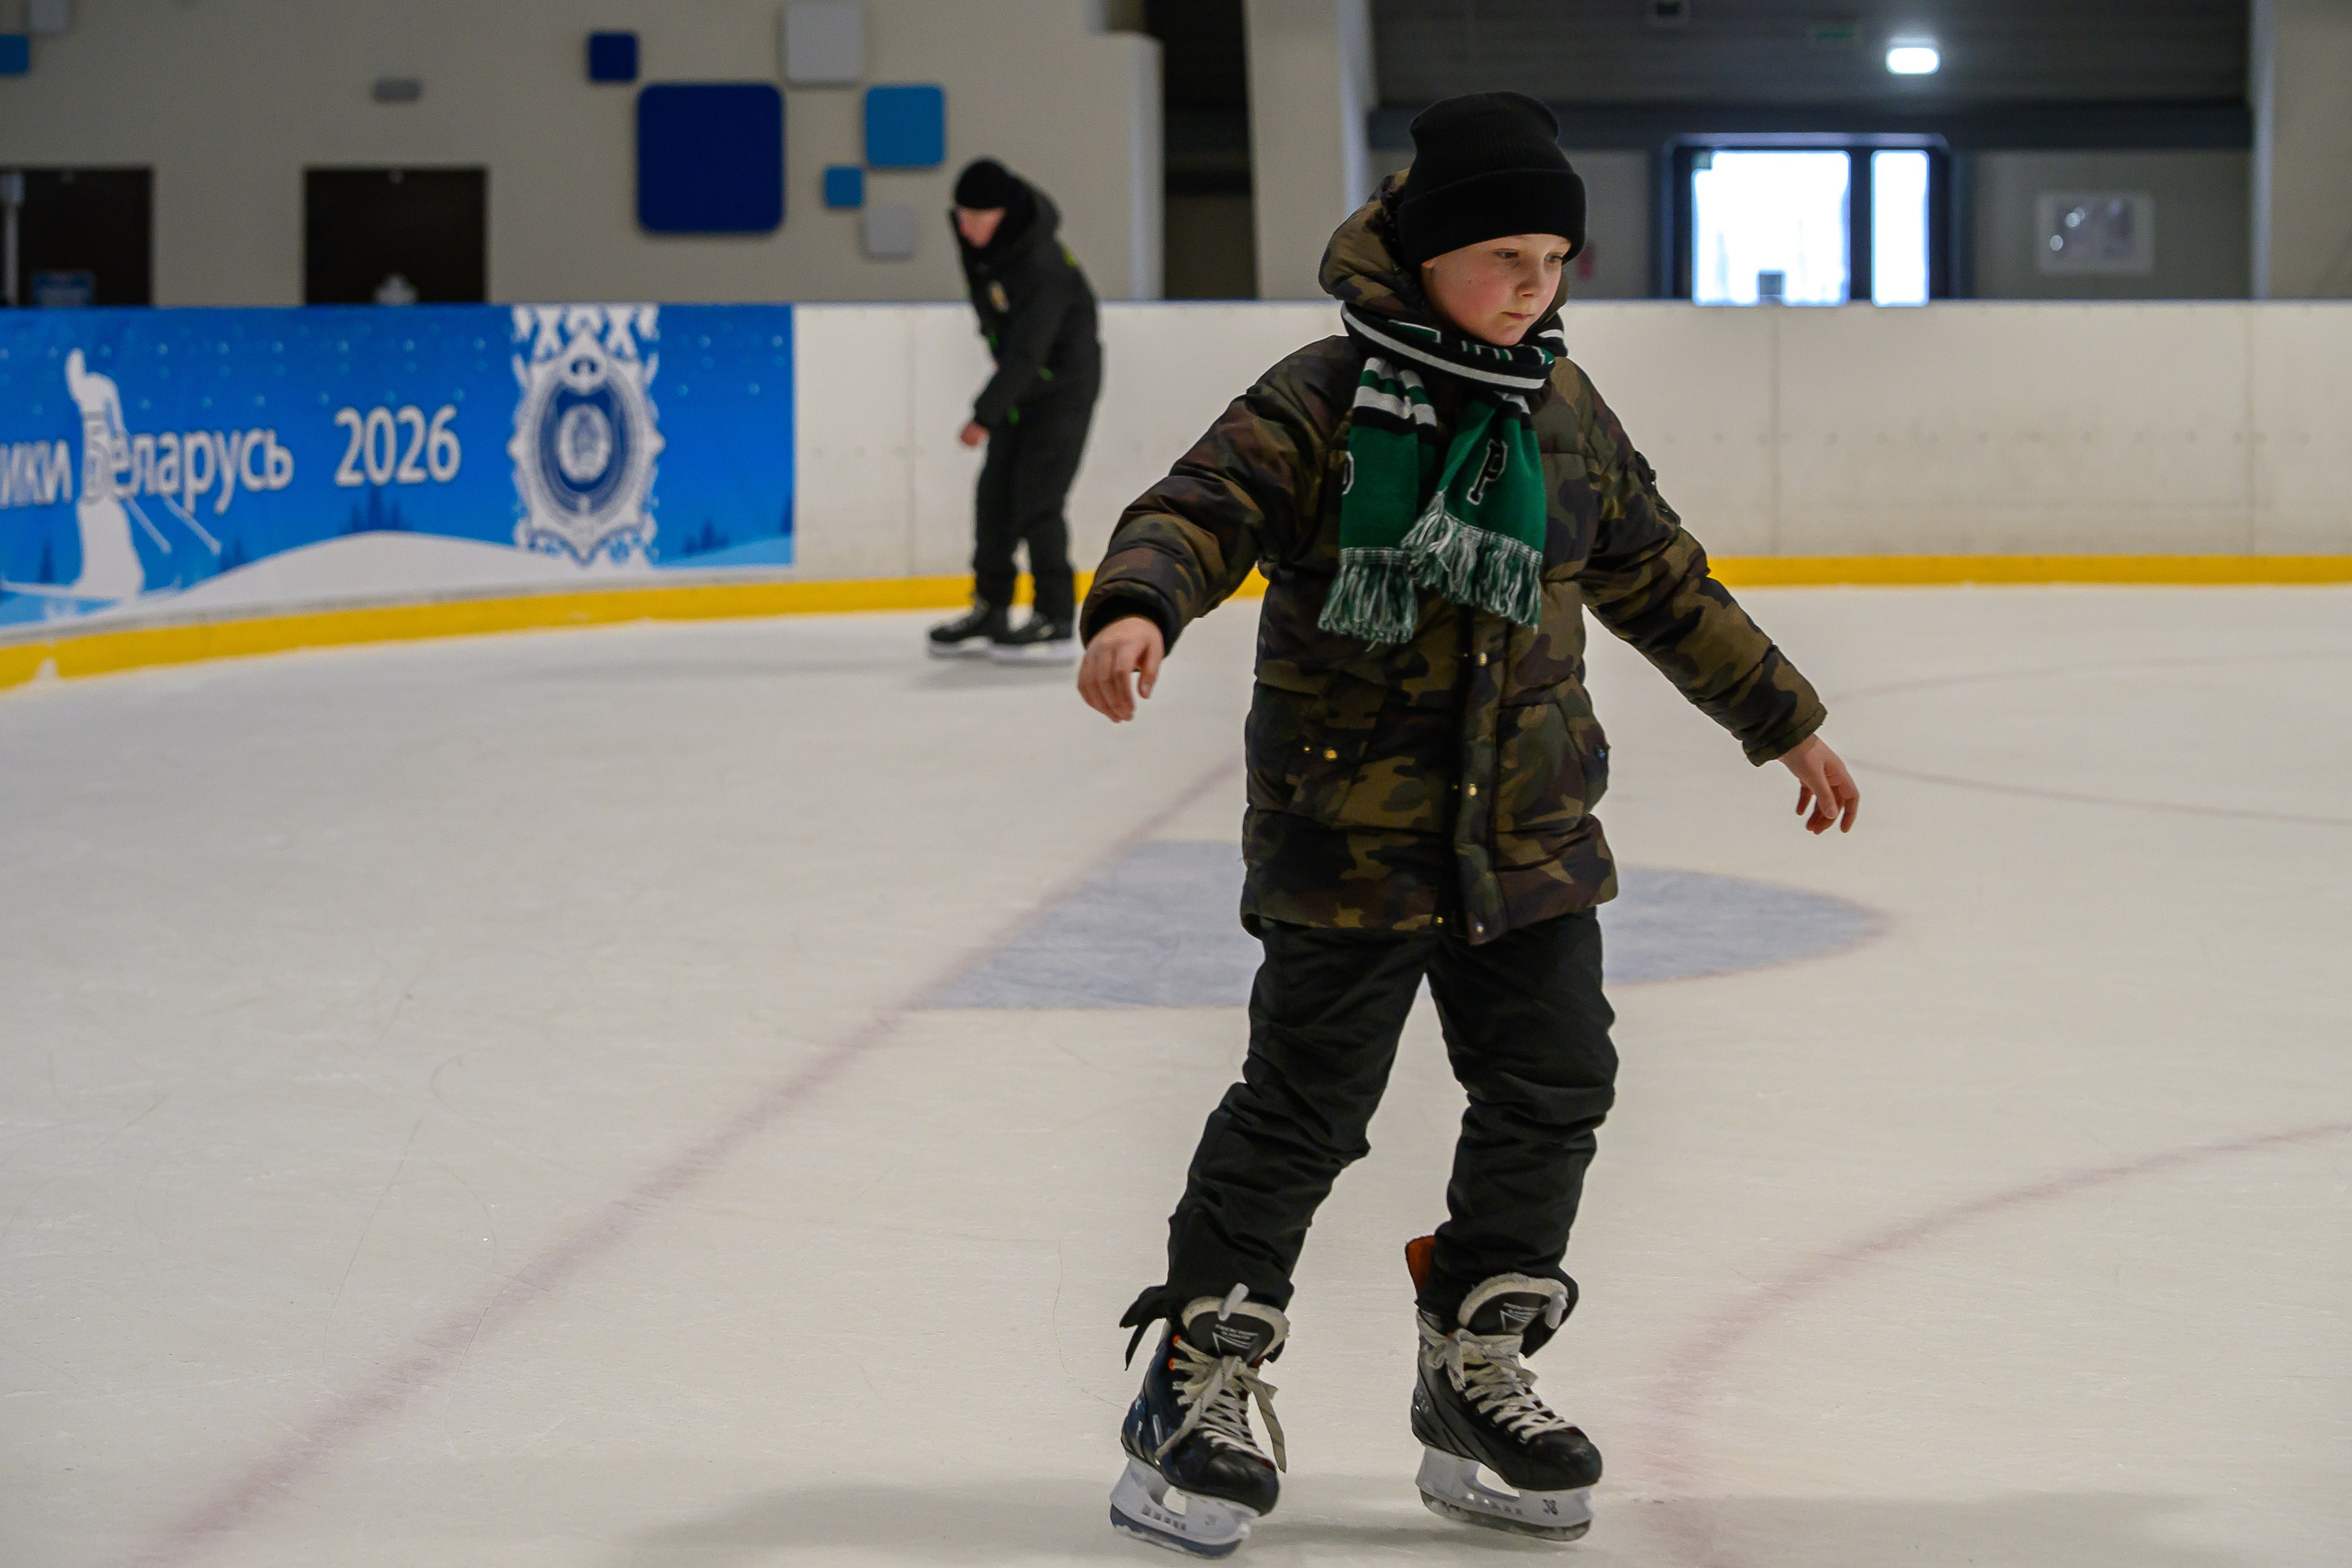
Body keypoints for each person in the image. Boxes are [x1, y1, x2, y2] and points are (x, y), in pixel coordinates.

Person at [1078, 94, 1861, 1553]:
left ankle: (1473, 1362)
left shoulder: (1561, 415)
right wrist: (1139, 603)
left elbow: (1662, 580)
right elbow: (1199, 506)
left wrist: (1784, 714)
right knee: (1304, 1110)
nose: (1533, 285)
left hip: (1529, 836)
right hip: (1350, 832)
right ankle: (1198, 1374)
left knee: (1557, 1085)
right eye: (1504, 253)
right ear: (1424, 254)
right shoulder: (1321, 397)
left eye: (1555, 258)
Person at [927, 158, 1102, 663]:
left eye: (979, 218)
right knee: (994, 496)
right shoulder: (983, 250)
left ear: (1004, 213)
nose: (968, 228)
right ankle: (991, 606)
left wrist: (984, 414)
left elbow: (1029, 350)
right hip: (1022, 384)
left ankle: (1055, 613)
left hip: (1063, 387)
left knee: (1037, 500)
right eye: (961, 217)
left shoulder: (1041, 264)